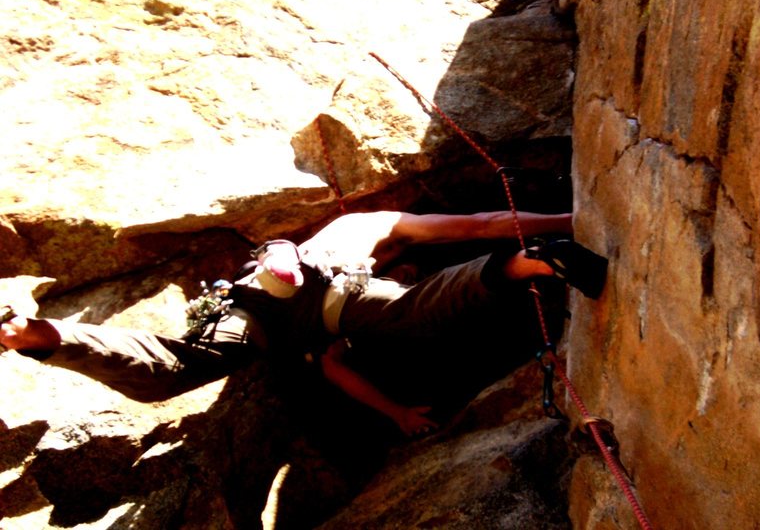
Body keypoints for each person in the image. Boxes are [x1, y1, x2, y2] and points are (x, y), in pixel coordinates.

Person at [0, 210, 606, 437]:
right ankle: (532, 260)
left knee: (177, 370)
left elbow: (337, 369)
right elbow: (478, 226)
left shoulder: (364, 229)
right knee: (415, 311)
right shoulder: (382, 234)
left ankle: (41, 335)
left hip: (255, 314)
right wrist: (573, 215)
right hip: (332, 292)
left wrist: (395, 414)